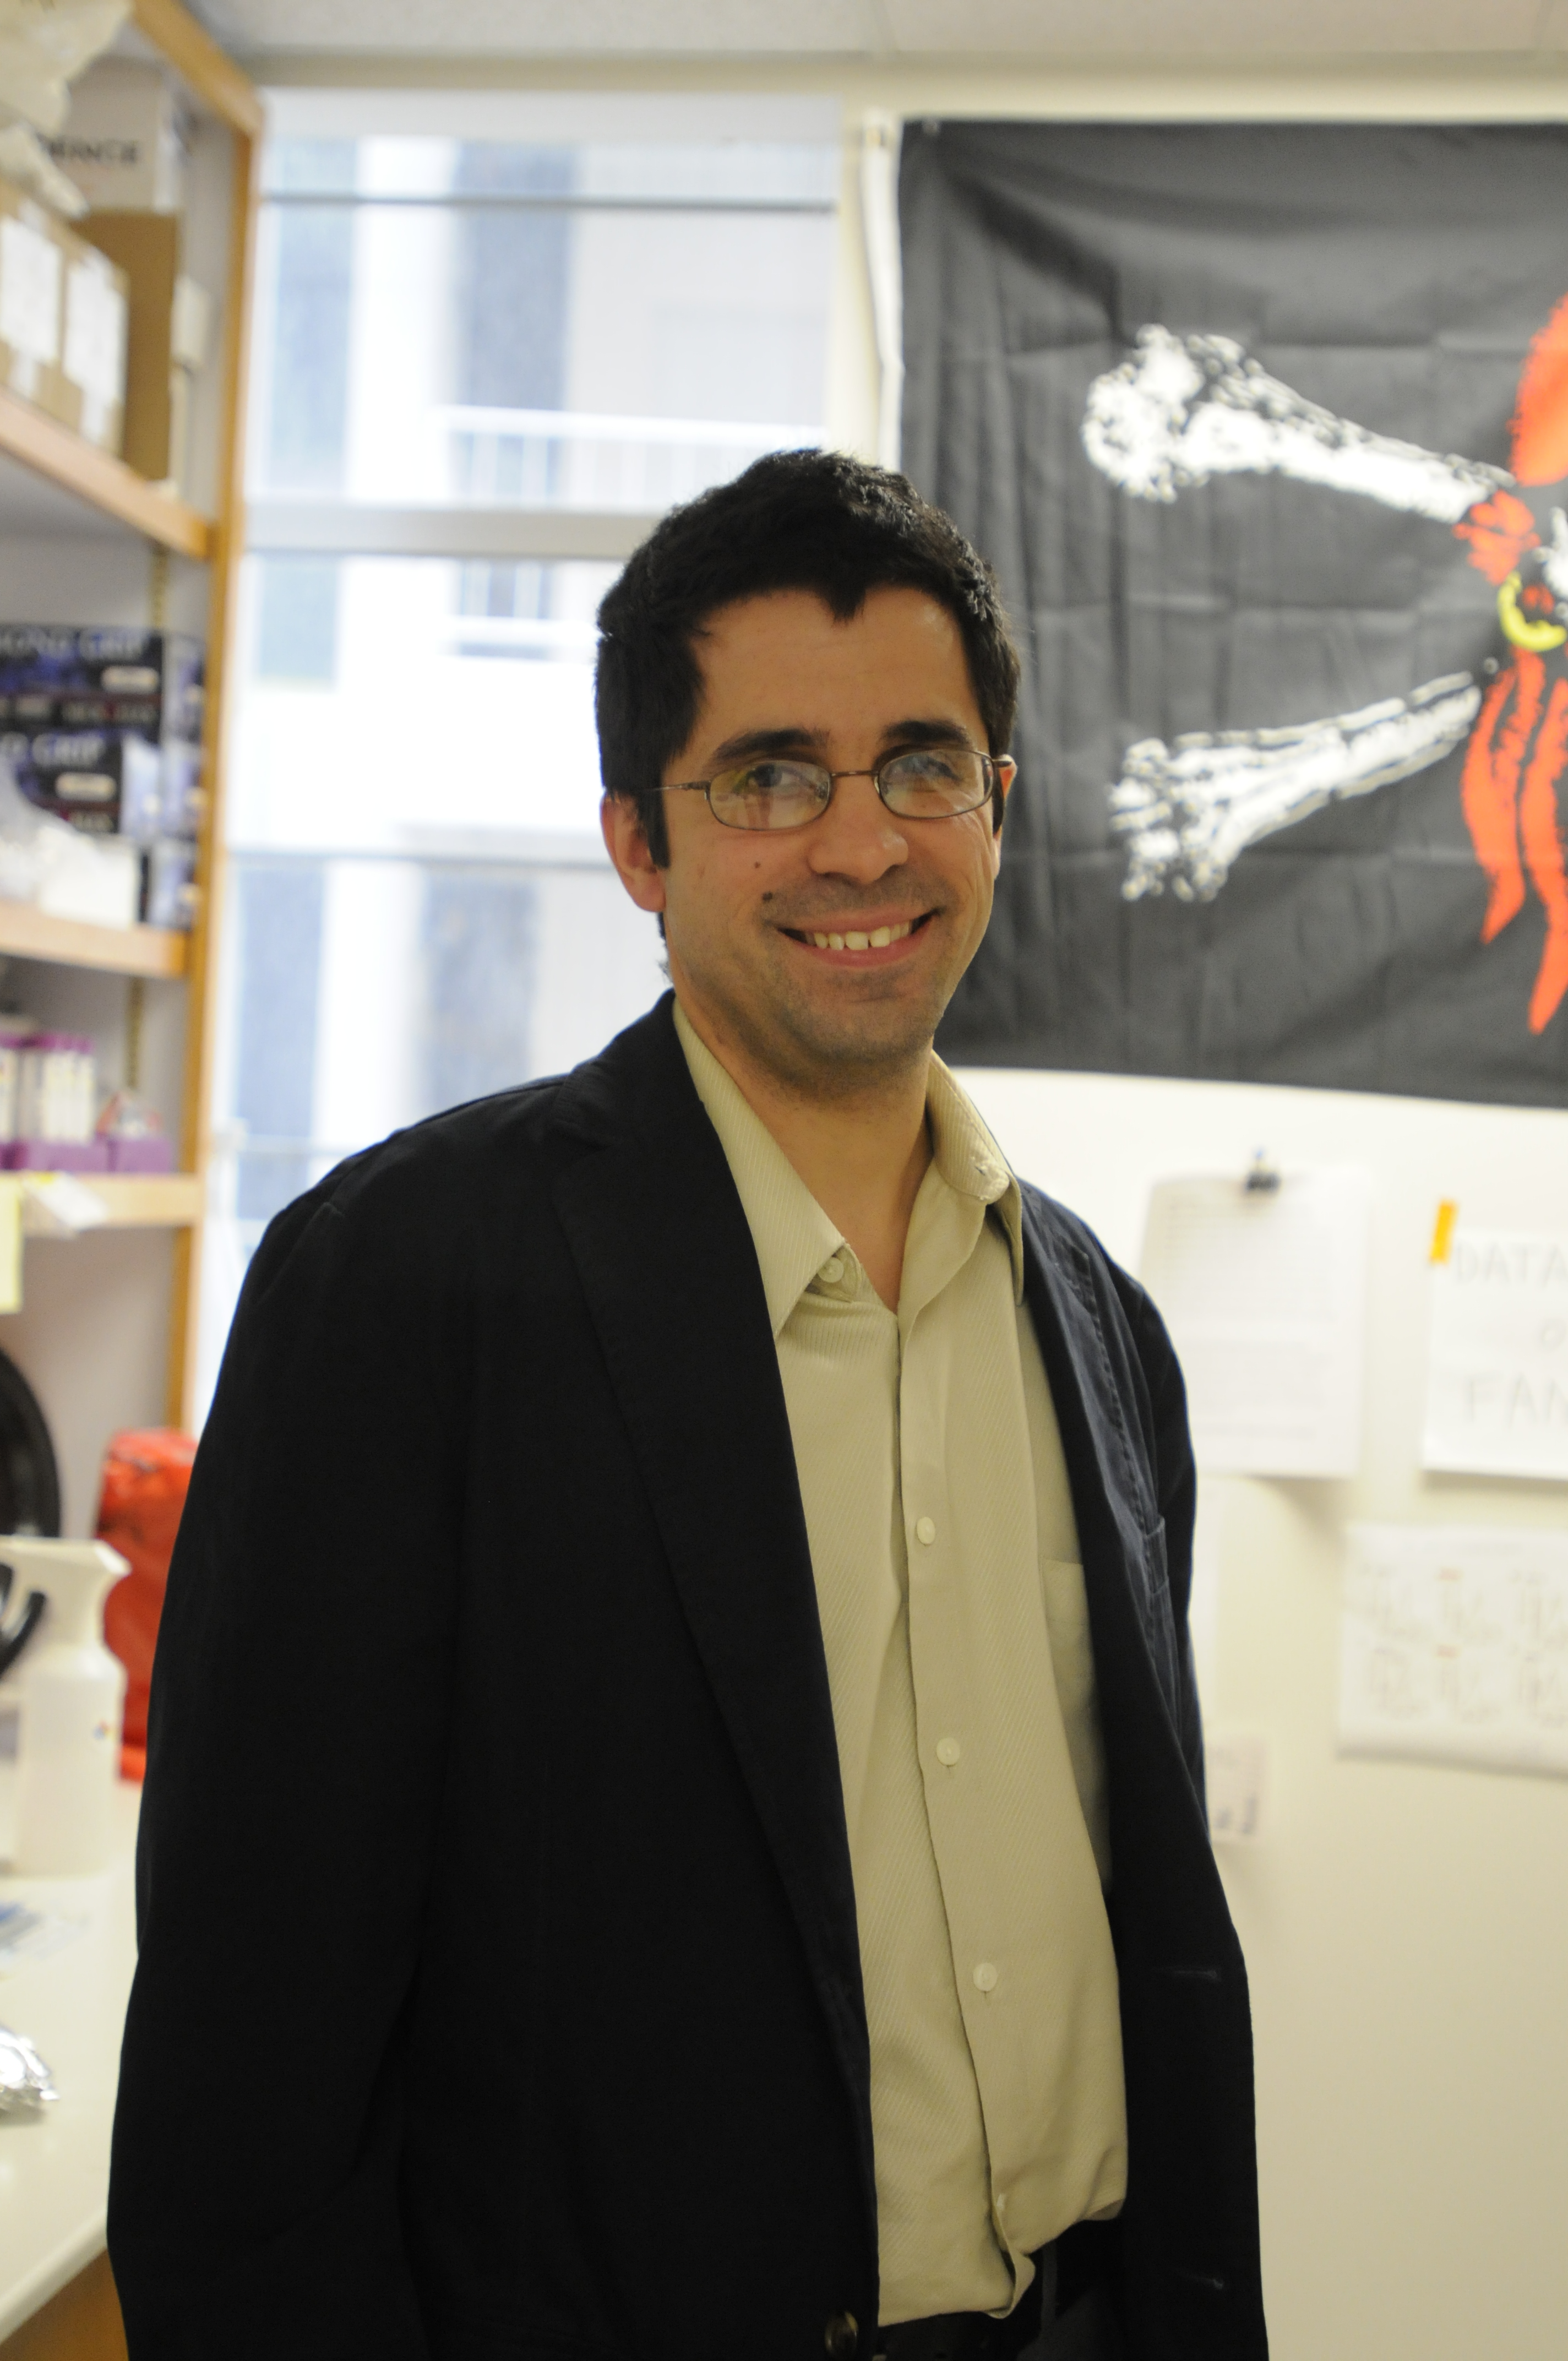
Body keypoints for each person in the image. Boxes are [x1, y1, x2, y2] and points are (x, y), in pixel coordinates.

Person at [108, 452, 1267, 2361]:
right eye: (770, 778)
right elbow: (248, 2086)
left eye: (921, 764)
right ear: (638, 843)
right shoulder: (400, 1291)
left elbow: (1152, 1938)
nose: (861, 845)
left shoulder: (1100, 1332)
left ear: (998, 803)